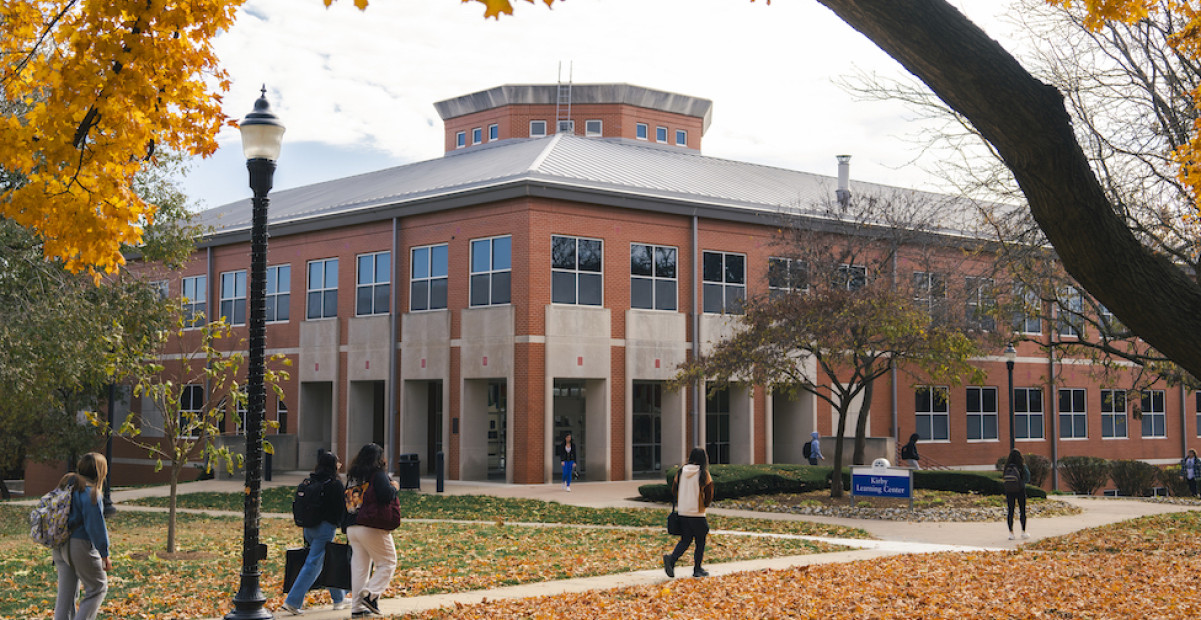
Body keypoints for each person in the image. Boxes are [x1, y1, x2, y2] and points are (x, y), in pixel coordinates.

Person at [282, 449, 349, 615]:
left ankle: (339, 598)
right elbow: (341, 507)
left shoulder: (310, 481)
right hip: (325, 529)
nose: (340, 465)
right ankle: (292, 601)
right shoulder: (334, 484)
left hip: (308, 528)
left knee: (325, 560)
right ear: (334, 465)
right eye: (338, 462)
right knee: (313, 564)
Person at [53, 452, 111, 620]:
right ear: (100, 472)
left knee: (66, 595)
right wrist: (104, 553)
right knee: (98, 587)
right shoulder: (91, 493)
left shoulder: (67, 485)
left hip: (59, 545)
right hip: (78, 545)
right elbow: (96, 526)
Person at [344, 443, 399, 618]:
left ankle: (357, 608)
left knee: (360, 568)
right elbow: (385, 495)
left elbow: (349, 501)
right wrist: (395, 487)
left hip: (352, 526)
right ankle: (370, 594)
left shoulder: (353, 476)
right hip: (371, 525)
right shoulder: (378, 475)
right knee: (388, 561)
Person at [663, 448, 715, 579]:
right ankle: (697, 569)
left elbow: (674, 489)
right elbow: (709, 493)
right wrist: (705, 505)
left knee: (686, 539)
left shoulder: (680, 472)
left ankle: (672, 559)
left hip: (683, 511)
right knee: (700, 541)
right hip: (697, 512)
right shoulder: (704, 473)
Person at [1002, 449, 1031, 540]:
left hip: (1009, 490)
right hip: (1020, 490)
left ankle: (1011, 533)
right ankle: (1023, 532)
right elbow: (1028, 477)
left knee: (1010, 511)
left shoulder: (1007, 467)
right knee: (1022, 511)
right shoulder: (1022, 466)